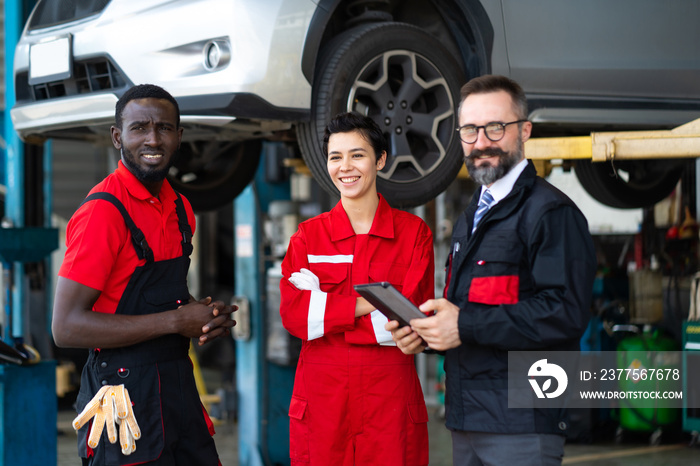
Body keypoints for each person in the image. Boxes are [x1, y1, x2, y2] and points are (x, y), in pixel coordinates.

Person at [387, 75, 597, 466]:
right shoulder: (473, 216)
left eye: (495, 128)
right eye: (470, 130)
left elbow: (565, 313)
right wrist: (429, 332)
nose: (481, 142)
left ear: (524, 131)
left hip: (522, 424)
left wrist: (463, 326)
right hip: (468, 421)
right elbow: (472, 309)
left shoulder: (550, 213)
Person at [52, 84, 235, 466]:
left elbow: (162, 296)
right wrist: (175, 320)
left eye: (165, 128)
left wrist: (200, 317)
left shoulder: (182, 207)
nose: (153, 139)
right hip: (122, 398)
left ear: (179, 137)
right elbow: (66, 327)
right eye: (140, 128)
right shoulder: (102, 213)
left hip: (178, 387)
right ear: (118, 137)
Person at [279, 112, 434, 465]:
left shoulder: (414, 236)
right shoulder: (308, 237)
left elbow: (407, 323)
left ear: (379, 159)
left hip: (389, 406)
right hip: (323, 406)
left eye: (357, 155)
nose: (345, 167)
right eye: (336, 157)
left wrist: (328, 310)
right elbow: (296, 317)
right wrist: (373, 303)